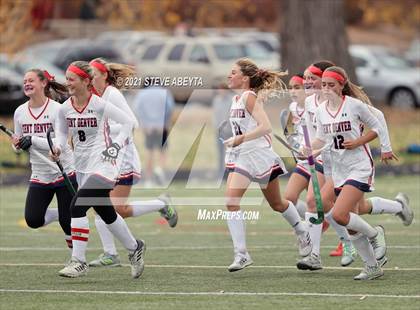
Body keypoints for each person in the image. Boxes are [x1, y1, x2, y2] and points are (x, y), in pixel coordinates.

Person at [51, 61, 144, 278]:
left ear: (86, 81)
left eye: (72, 79)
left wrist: (115, 146)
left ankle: (78, 261)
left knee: (77, 207)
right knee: (106, 212)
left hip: (104, 164)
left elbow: (129, 123)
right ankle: (134, 247)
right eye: (67, 79)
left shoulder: (100, 104)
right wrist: (57, 148)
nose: (68, 83)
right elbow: (62, 137)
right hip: (82, 166)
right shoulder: (65, 108)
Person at [223, 58, 312, 272]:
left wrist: (240, 138)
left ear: (244, 78)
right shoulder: (237, 99)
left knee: (277, 204)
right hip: (242, 157)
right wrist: (235, 140)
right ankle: (241, 254)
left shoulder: (248, 97)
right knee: (231, 202)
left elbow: (265, 128)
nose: (229, 75)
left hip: (259, 156)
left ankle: (302, 231)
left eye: (233, 72)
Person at [88, 58, 178, 267]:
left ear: (104, 76)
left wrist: (107, 134)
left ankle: (161, 204)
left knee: (119, 210)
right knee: (99, 206)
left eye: (93, 73)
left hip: (123, 159)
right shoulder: (93, 96)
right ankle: (110, 254)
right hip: (104, 161)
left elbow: (132, 123)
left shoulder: (113, 95)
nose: (89, 78)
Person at [310, 66, 397, 280]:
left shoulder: (354, 105)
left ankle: (375, 233)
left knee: (340, 215)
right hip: (339, 169)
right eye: (324, 85)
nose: (327, 89)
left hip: (359, 166)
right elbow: (321, 139)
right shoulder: (321, 110)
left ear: (341, 86)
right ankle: (372, 266)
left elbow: (376, 127)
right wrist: (308, 150)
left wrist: (361, 142)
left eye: (332, 85)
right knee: (349, 221)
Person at [12, 69, 76, 251]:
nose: (27, 83)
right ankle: (60, 214)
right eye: (25, 81)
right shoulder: (20, 112)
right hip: (40, 173)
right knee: (33, 220)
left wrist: (31, 139)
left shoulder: (57, 109)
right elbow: (17, 144)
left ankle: (76, 259)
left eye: (31, 80)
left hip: (63, 170)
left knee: (68, 223)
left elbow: (60, 143)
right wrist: (17, 145)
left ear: (43, 83)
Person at [134, 85, 174, 185]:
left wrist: (143, 123)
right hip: (162, 126)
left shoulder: (142, 94)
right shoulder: (164, 92)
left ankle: (148, 180)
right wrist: (166, 122)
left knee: (149, 152)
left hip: (149, 128)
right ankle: (159, 169)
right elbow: (170, 108)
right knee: (163, 151)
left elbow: (137, 109)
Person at [212, 83, 233, 178]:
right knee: (220, 154)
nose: (220, 91)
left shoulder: (232, 99)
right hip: (219, 132)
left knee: (231, 153)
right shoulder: (216, 100)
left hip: (230, 131)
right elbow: (215, 115)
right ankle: (221, 174)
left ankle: (231, 173)